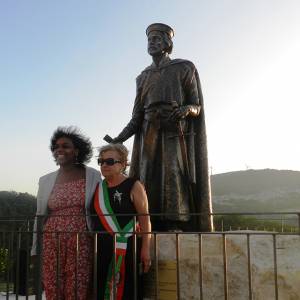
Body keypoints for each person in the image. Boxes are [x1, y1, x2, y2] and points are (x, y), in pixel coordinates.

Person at [109, 23, 213, 231]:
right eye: (149, 40)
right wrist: (118, 139)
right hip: (149, 130)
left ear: (168, 43)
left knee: (173, 172)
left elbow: (196, 106)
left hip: (174, 129)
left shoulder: (184, 67)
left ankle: (175, 221)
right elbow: (136, 116)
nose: (152, 43)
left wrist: (185, 111)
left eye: (157, 39)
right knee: (147, 175)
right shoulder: (143, 77)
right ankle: (149, 221)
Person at [31, 126, 101, 300]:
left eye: (65, 146)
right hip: (50, 239)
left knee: (78, 284)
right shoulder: (45, 180)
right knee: (53, 284)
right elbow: (39, 215)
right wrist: (34, 249)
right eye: (56, 147)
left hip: (81, 239)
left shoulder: (92, 175)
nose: (59, 149)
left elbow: (101, 206)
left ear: (76, 151)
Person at [91, 143, 151, 300]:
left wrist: (145, 248)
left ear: (123, 164)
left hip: (128, 248)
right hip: (100, 250)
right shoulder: (98, 188)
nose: (104, 165)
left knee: (127, 291)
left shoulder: (134, 185)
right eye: (101, 161)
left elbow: (145, 218)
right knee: (100, 290)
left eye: (109, 161)